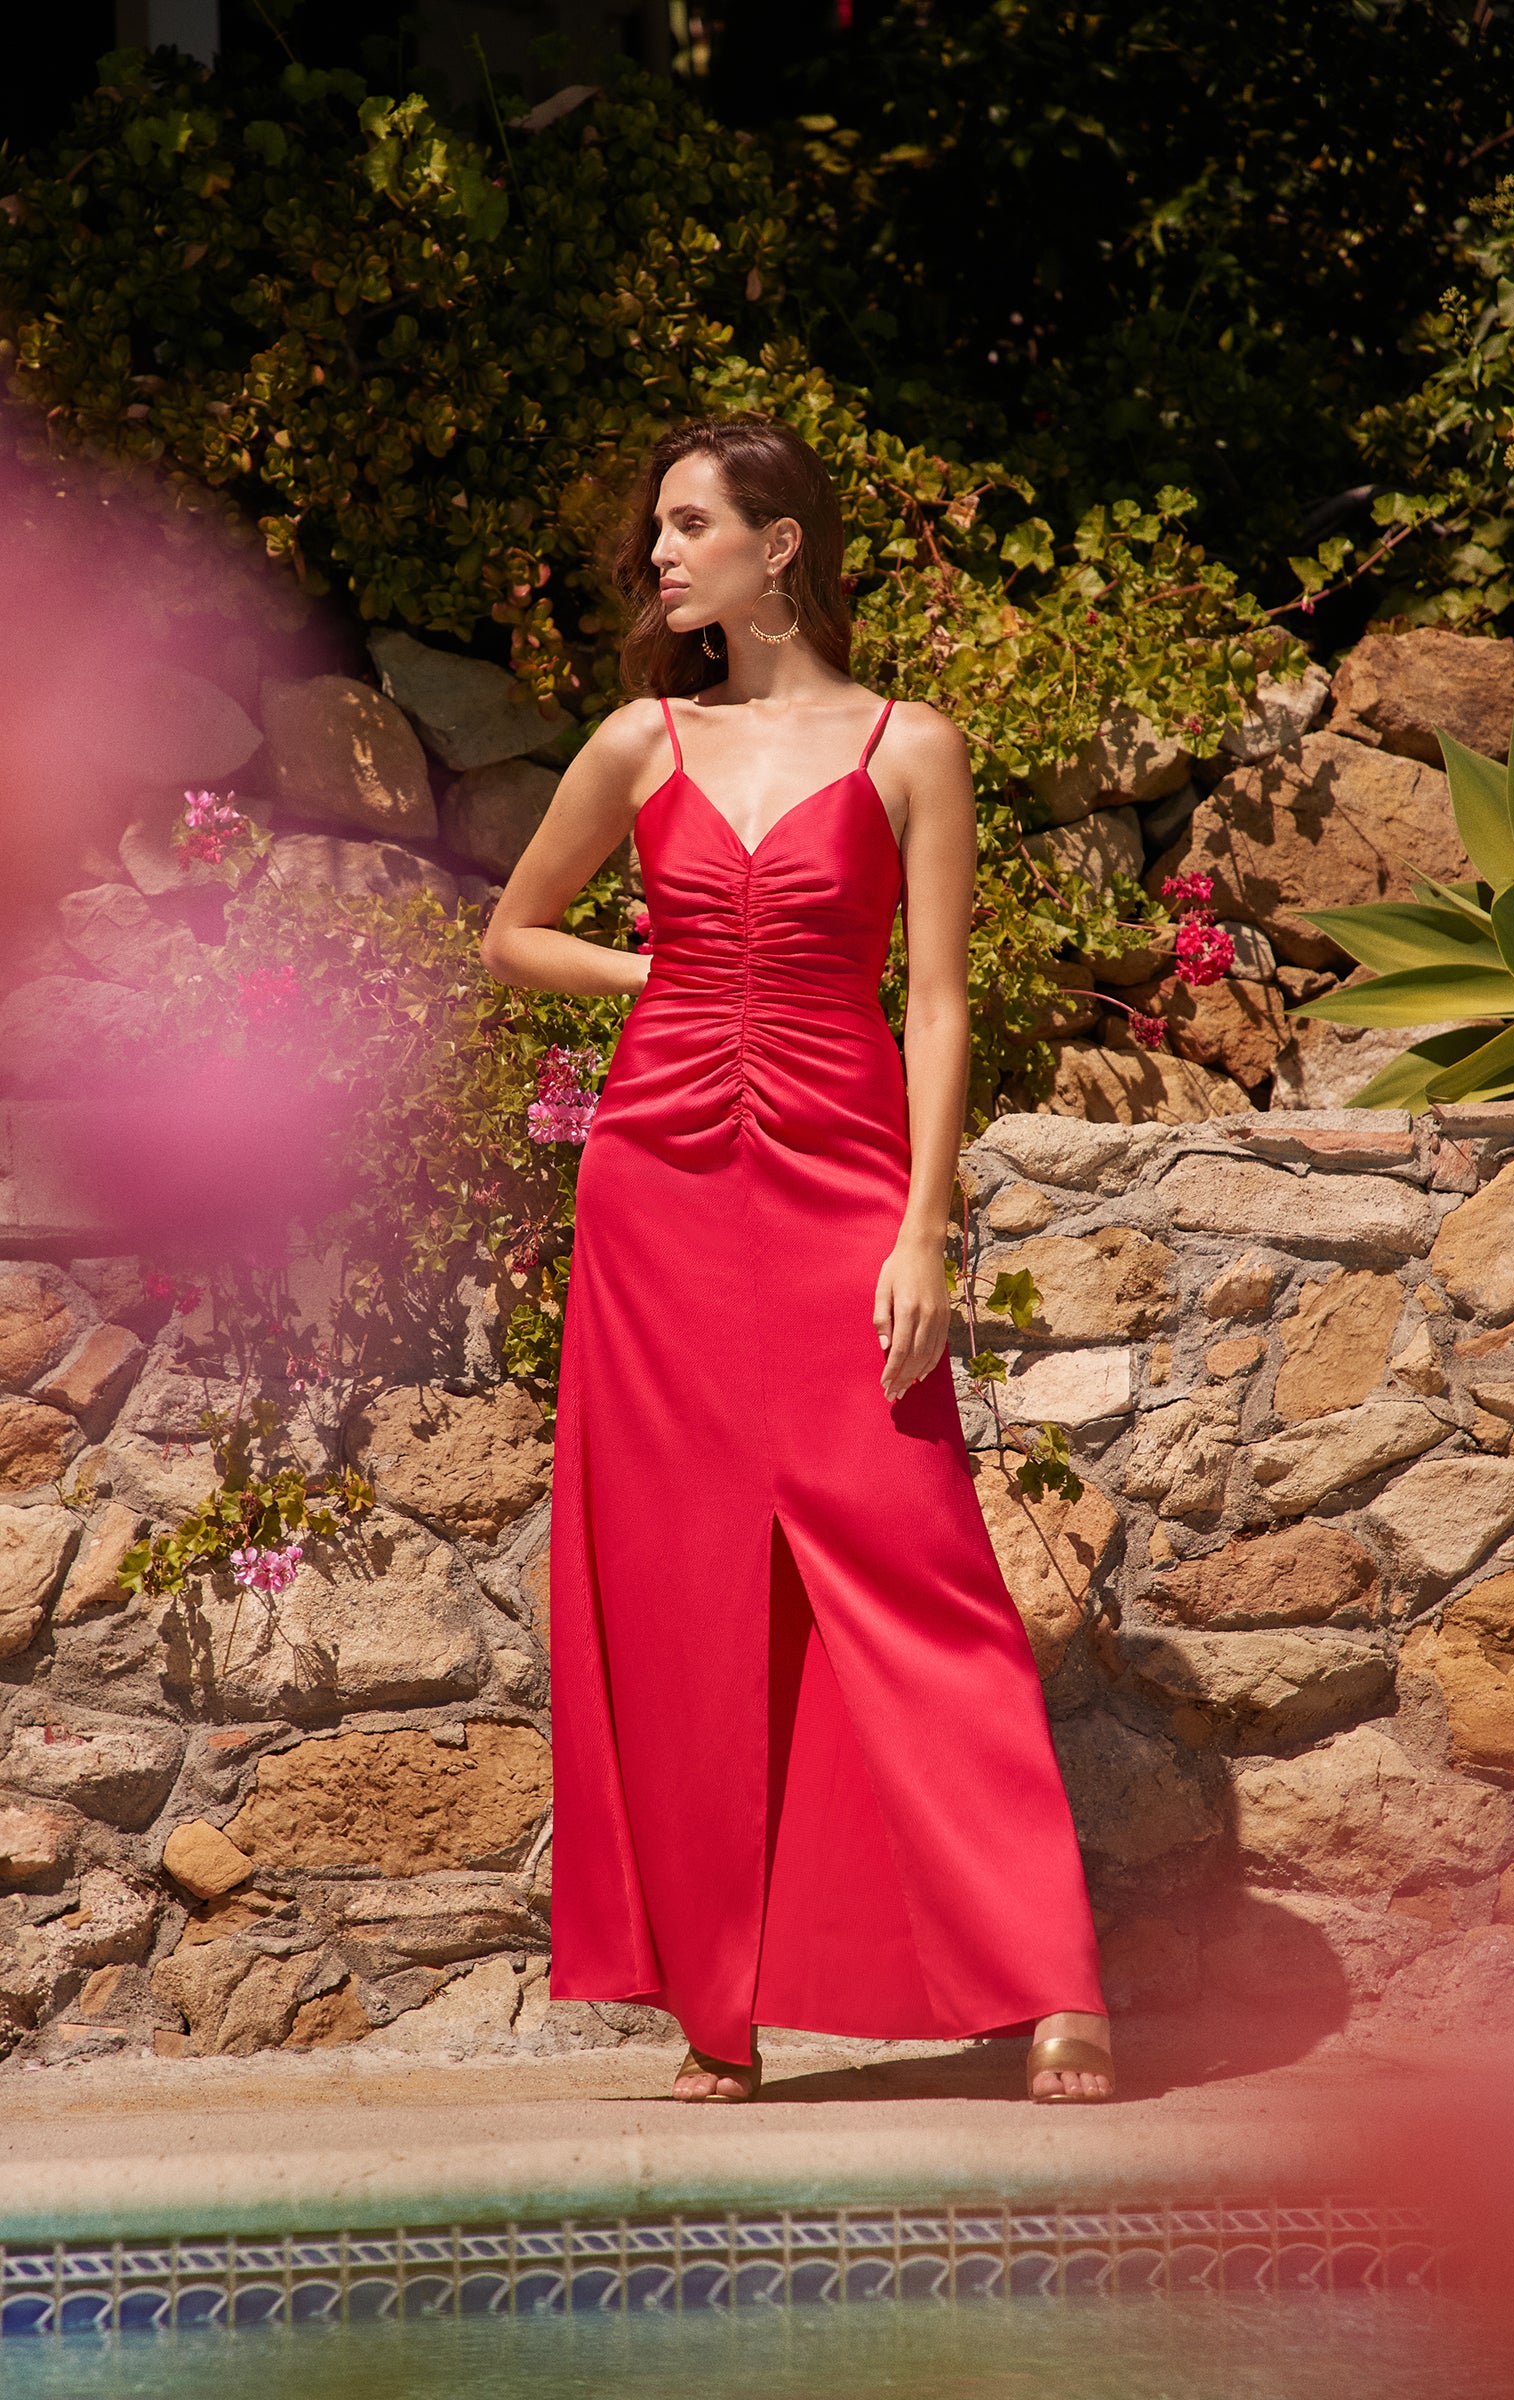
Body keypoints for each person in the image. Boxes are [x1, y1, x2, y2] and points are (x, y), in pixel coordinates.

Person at [480, 413, 1113, 2105]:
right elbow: (511, 936)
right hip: (659, 1190)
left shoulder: (916, 746)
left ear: (783, 545)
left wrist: (925, 1222)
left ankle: (1049, 1978)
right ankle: (719, 2011)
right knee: (683, 1585)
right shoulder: (638, 739)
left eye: (692, 525)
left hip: (844, 1182)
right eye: (657, 533)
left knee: (923, 1564)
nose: (661, 556)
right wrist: (670, 990)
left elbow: (940, 1001)